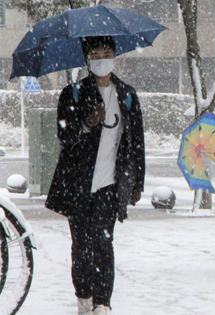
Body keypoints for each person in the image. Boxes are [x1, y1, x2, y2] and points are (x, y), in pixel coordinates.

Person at [45, 36, 145, 315]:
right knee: (81, 244)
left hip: (109, 184)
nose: (102, 59)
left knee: (103, 242)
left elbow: (137, 141)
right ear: (87, 59)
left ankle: (103, 302)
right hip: (77, 183)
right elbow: (64, 136)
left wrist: (137, 182)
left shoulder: (126, 94)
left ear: (115, 56)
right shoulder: (73, 93)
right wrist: (87, 123)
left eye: (107, 53)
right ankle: (84, 297)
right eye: (96, 54)